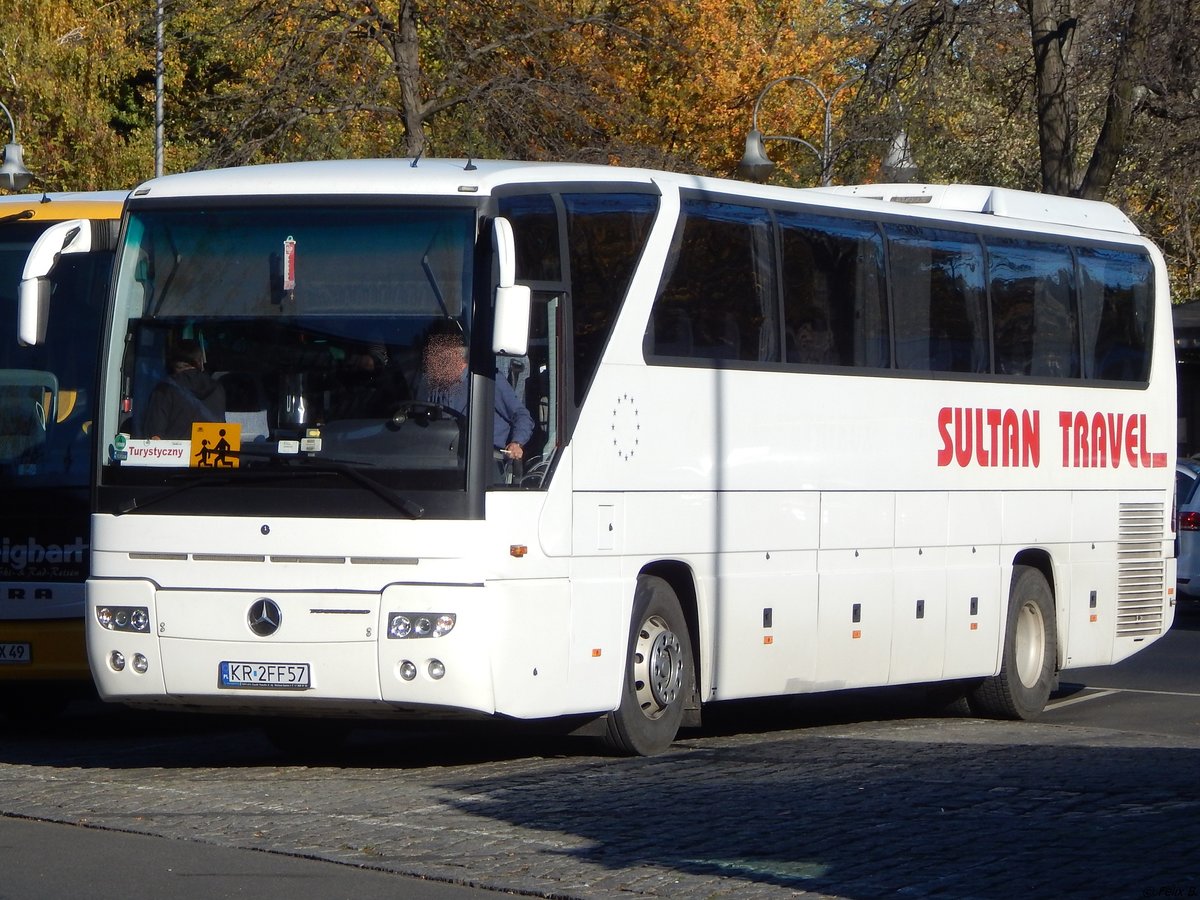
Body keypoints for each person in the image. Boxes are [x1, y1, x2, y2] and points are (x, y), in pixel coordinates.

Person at [422, 332, 533, 461]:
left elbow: (521, 415)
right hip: (447, 457)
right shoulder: (436, 387)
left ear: (457, 358)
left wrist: (516, 443)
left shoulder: (487, 379)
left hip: (489, 461)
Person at [142, 339, 227, 440]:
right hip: (211, 453)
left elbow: (155, 437)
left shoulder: (165, 389)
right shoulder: (217, 388)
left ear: (171, 362)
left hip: (175, 454)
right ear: (199, 361)